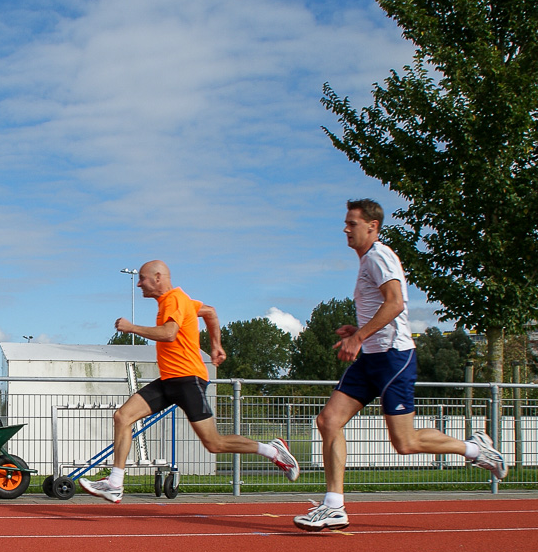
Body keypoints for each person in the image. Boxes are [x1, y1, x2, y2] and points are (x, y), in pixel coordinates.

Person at [294, 199, 507, 532]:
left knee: (404, 443)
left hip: (394, 357)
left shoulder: (379, 257)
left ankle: (473, 449)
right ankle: (334, 506)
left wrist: (359, 336)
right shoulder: (367, 262)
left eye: (352, 223)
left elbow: (395, 304)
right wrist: (359, 331)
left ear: (372, 226)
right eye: (346, 223)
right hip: (372, 357)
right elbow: (383, 308)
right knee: (328, 420)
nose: (345, 229)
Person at [79, 260, 299, 503]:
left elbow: (169, 333)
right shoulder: (178, 301)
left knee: (214, 444)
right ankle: (115, 483)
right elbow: (211, 312)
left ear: (158, 277)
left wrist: (132, 328)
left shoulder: (174, 299)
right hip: (169, 380)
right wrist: (216, 346)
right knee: (123, 416)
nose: (139, 283)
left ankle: (273, 450)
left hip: (188, 380)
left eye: (142, 278)